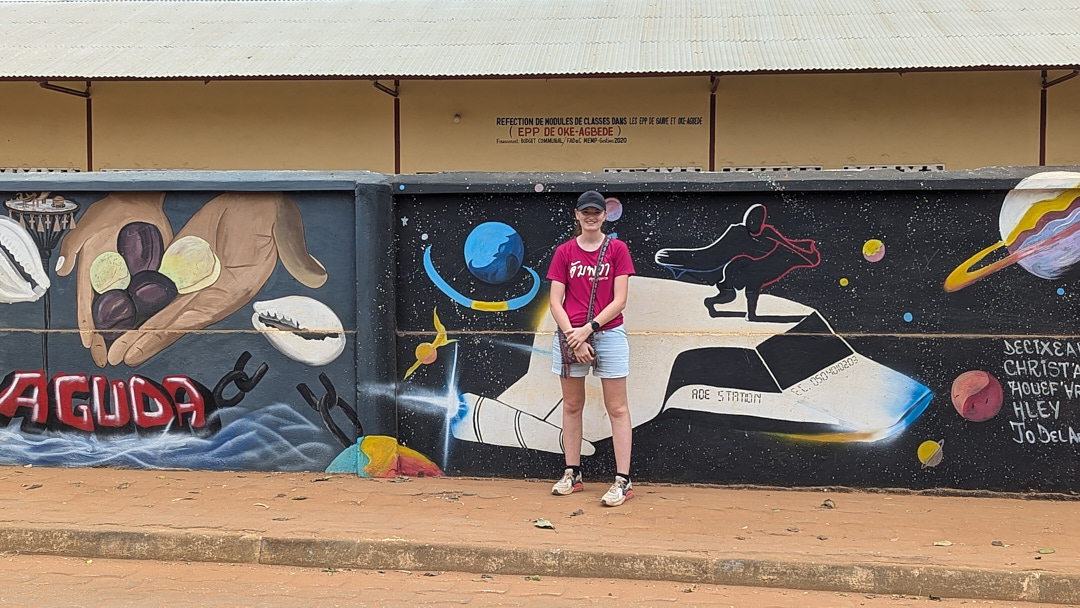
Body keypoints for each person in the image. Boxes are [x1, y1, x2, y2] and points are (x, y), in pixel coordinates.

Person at [545, 190, 636, 506]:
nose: (591, 217)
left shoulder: (618, 250)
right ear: (577, 214)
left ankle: (623, 480)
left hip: (608, 334)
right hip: (571, 335)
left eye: (596, 212)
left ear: (605, 215)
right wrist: (574, 336)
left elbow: (620, 300)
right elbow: (555, 301)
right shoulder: (565, 252)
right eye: (586, 212)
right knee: (572, 405)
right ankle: (572, 473)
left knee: (617, 407)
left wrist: (588, 329)